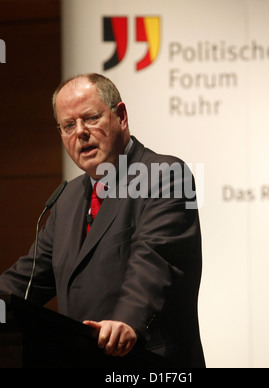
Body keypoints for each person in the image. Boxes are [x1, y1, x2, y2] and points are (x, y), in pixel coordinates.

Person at [0, 73, 205, 368]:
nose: (80, 132)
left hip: (149, 364)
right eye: (68, 125)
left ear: (120, 116)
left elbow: (155, 260)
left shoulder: (165, 175)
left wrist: (128, 320)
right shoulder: (68, 199)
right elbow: (28, 277)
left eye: (91, 118)